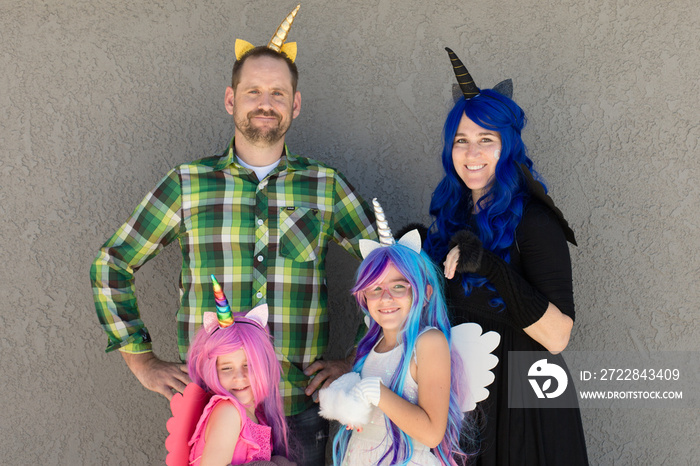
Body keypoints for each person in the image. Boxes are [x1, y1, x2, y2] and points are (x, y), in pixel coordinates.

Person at [90, 6, 376, 464]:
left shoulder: (325, 187)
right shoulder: (187, 184)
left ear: (295, 105)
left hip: (299, 410)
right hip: (214, 412)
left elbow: (390, 270)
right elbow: (112, 263)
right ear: (231, 99)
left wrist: (357, 359)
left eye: (278, 93)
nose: (266, 102)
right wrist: (140, 359)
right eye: (254, 91)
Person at [423, 48, 589, 465]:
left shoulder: (533, 221)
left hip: (527, 406)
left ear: (508, 146)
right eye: (462, 140)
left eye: (486, 140)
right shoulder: (451, 218)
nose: (472, 153)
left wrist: (491, 266)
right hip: (466, 403)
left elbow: (558, 336)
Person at [319, 199, 468, 466]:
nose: (385, 297)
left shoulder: (428, 342)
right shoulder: (371, 343)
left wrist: (375, 392)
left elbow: (432, 433)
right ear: (364, 296)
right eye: (375, 288)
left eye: (399, 287)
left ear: (424, 295)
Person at [177, 279, 291, 465]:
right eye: (226, 368)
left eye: (249, 365)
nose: (239, 376)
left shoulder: (254, 413)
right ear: (213, 370)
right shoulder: (228, 412)